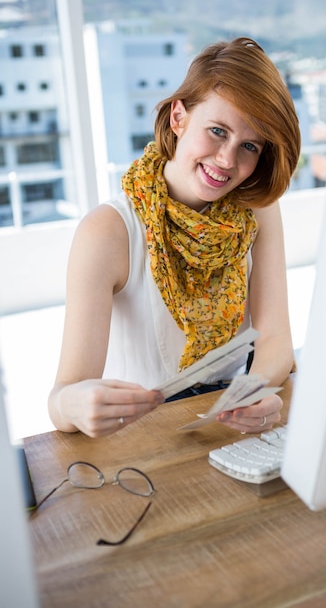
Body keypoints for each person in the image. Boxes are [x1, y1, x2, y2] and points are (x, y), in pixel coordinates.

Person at [48, 37, 301, 438]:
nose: (227, 161)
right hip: (139, 436)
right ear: (178, 117)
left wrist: (256, 392)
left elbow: (275, 338)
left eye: (248, 146)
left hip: (224, 427)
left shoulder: (257, 210)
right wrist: (73, 405)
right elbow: (62, 397)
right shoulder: (107, 231)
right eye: (217, 131)